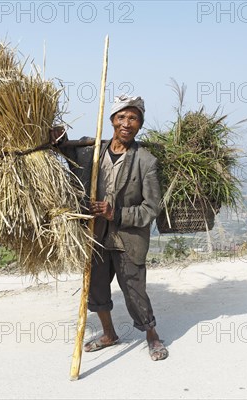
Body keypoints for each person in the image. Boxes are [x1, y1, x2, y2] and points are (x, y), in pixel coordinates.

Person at [53, 94, 168, 361]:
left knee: (134, 289)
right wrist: (59, 138)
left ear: (139, 125)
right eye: (122, 117)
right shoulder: (93, 151)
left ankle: (152, 336)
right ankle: (108, 334)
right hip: (96, 234)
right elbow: (67, 151)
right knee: (96, 286)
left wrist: (114, 212)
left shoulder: (146, 162)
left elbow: (152, 208)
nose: (127, 123)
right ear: (112, 121)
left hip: (128, 238)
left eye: (133, 119)